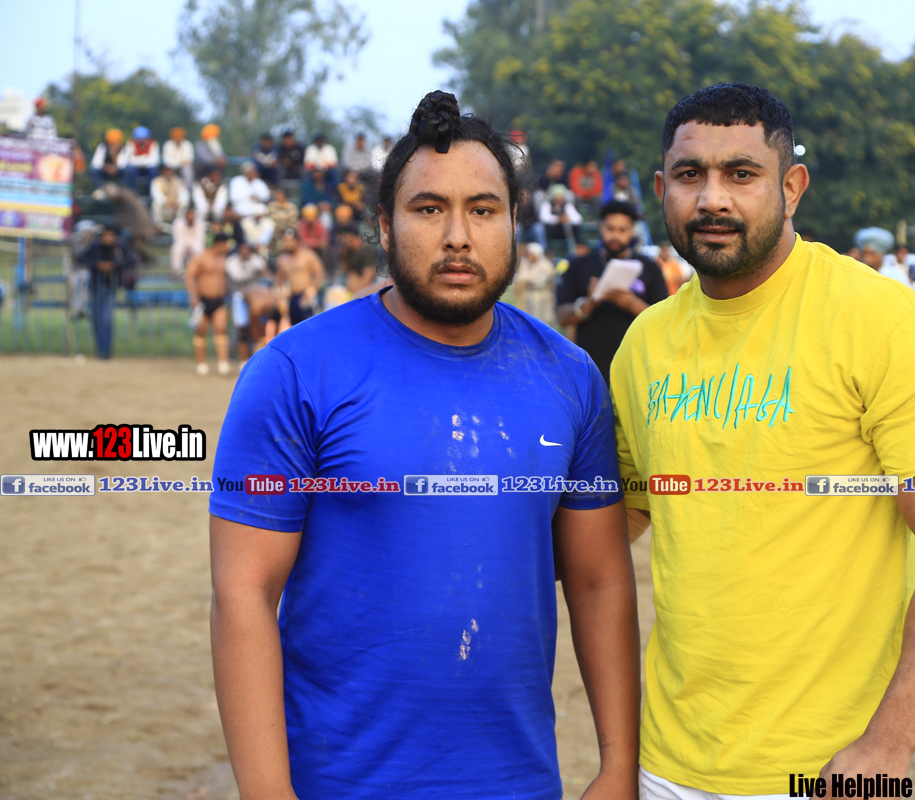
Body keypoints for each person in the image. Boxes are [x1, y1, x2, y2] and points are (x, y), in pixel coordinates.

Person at [207, 89, 640, 800]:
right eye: (429, 209)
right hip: (339, 785)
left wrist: (618, 768)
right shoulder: (295, 372)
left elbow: (598, 582)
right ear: (385, 225)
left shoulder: (570, 378)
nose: (458, 236)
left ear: (515, 220)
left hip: (519, 784)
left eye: (483, 209)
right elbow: (243, 593)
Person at [609, 82, 915, 797]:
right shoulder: (644, 344)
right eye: (690, 175)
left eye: (741, 174)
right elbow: (625, 513)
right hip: (667, 762)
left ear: (791, 188)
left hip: (824, 766)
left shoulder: (882, 320)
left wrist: (888, 742)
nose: (712, 199)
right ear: (662, 189)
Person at [556, 199, 667, 384]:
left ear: (632, 231)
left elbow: (663, 323)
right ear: (601, 227)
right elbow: (562, 317)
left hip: (637, 370)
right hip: (590, 371)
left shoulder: (650, 268)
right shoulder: (579, 265)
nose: (615, 236)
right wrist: (588, 303)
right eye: (610, 229)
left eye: (622, 230)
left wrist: (632, 303)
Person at [76, 225, 136, 359]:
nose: (108, 238)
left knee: (107, 318)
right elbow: (80, 258)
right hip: (95, 286)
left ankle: (106, 351)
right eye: (105, 235)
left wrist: (113, 266)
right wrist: (98, 264)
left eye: (111, 235)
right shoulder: (95, 246)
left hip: (111, 285)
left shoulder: (119, 247)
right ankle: (100, 350)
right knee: (96, 318)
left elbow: (131, 261)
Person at [186, 233, 233, 376]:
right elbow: (190, 275)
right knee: (201, 332)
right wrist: (194, 295)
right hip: (202, 300)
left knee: (220, 330)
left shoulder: (225, 259)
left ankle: (223, 363)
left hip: (219, 300)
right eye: (225, 244)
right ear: (219, 244)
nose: (227, 247)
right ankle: (202, 364)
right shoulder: (201, 257)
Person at [225, 240, 269, 363]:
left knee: (256, 326)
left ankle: (253, 355)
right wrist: (252, 272)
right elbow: (237, 276)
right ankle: (237, 354)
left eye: (247, 249)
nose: (244, 252)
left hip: (255, 299)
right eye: (242, 249)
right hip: (239, 298)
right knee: (240, 327)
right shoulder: (232, 261)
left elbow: (263, 268)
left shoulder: (255, 259)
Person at [274, 227, 325, 326]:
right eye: (286, 241)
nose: (288, 244)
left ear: (297, 241)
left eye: (290, 241)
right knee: (294, 325)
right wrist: (281, 296)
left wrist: (312, 289)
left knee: (309, 324)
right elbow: (279, 279)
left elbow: (319, 273)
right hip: (292, 298)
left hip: (306, 296)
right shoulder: (283, 259)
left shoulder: (308, 255)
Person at [512, 241, 557, 325]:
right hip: (527, 297)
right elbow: (517, 278)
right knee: (528, 321)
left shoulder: (546, 265)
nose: (528, 256)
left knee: (542, 322)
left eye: (530, 254)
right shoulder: (525, 263)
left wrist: (524, 278)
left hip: (541, 297)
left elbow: (539, 281)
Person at [538, 183, 583, 251]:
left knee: (575, 228)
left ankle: (575, 249)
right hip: (552, 231)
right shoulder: (547, 204)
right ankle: (548, 250)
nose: (559, 199)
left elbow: (579, 219)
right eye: (557, 196)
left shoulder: (567, 205)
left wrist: (568, 219)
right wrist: (558, 219)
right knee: (544, 228)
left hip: (563, 231)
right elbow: (543, 217)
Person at [171, 207, 206, 279]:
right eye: (189, 214)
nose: (190, 216)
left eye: (192, 214)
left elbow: (200, 239)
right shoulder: (178, 222)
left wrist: (191, 247)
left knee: (199, 249)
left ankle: (199, 271)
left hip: (195, 242)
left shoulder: (200, 223)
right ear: (185, 215)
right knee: (176, 249)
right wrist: (187, 247)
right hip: (182, 242)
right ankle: (177, 272)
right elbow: (177, 238)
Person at [149, 165, 189, 230]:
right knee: (156, 204)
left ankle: (179, 227)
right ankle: (158, 226)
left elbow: (184, 195)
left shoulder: (179, 181)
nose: (168, 172)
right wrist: (167, 202)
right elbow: (156, 195)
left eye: (170, 170)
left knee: (183, 204)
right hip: (164, 207)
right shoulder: (157, 181)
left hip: (175, 207)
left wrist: (177, 202)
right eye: (166, 170)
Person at [266, 187, 299, 251]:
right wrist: (284, 216)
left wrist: (281, 217)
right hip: (275, 230)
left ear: (285, 195)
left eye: (281, 194)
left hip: (288, 229)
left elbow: (292, 218)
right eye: (277, 195)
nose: (279, 196)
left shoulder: (292, 206)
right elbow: (271, 217)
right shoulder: (271, 206)